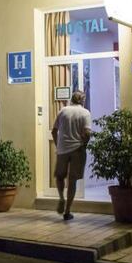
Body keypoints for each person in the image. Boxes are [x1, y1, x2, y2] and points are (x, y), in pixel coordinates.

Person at [51, 91, 92, 221]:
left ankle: (61, 198)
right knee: (72, 180)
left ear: (72, 99)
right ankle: (67, 211)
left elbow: (54, 131)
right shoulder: (85, 113)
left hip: (62, 149)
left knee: (60, 176)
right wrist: (84, 145)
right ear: (82, 100)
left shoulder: (63, 111)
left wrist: (58, 145)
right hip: (77, 149)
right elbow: (87, 133)